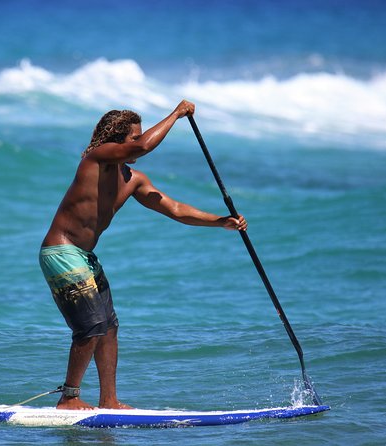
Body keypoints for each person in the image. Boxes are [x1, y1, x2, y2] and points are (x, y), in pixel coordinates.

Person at [39, 100, 247, 410]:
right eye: (134, 137)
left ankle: (109, 399)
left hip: (84, 255)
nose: (139, 142)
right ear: (117, 140)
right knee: (91, 325)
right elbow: (145, 147)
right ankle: (69, 398)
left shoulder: (134, 180)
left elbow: (175, 209)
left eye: (139, 136)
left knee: (109, 326)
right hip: (61, 251)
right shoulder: (98, 157)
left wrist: (220, 222)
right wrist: (176, 114)